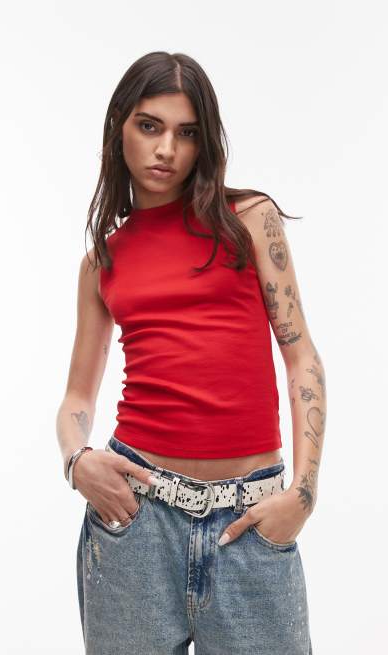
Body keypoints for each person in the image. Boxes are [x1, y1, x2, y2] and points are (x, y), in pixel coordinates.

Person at [56, 51, 325, 655]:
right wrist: (77, 461)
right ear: (119, 127)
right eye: (149, 126)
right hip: (135, 521)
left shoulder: (248, 221)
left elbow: (302, 358)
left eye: (186, 133)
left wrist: (303, 495)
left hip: (250, 521)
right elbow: (77, 395)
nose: (166, 150)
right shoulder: (102, 261)